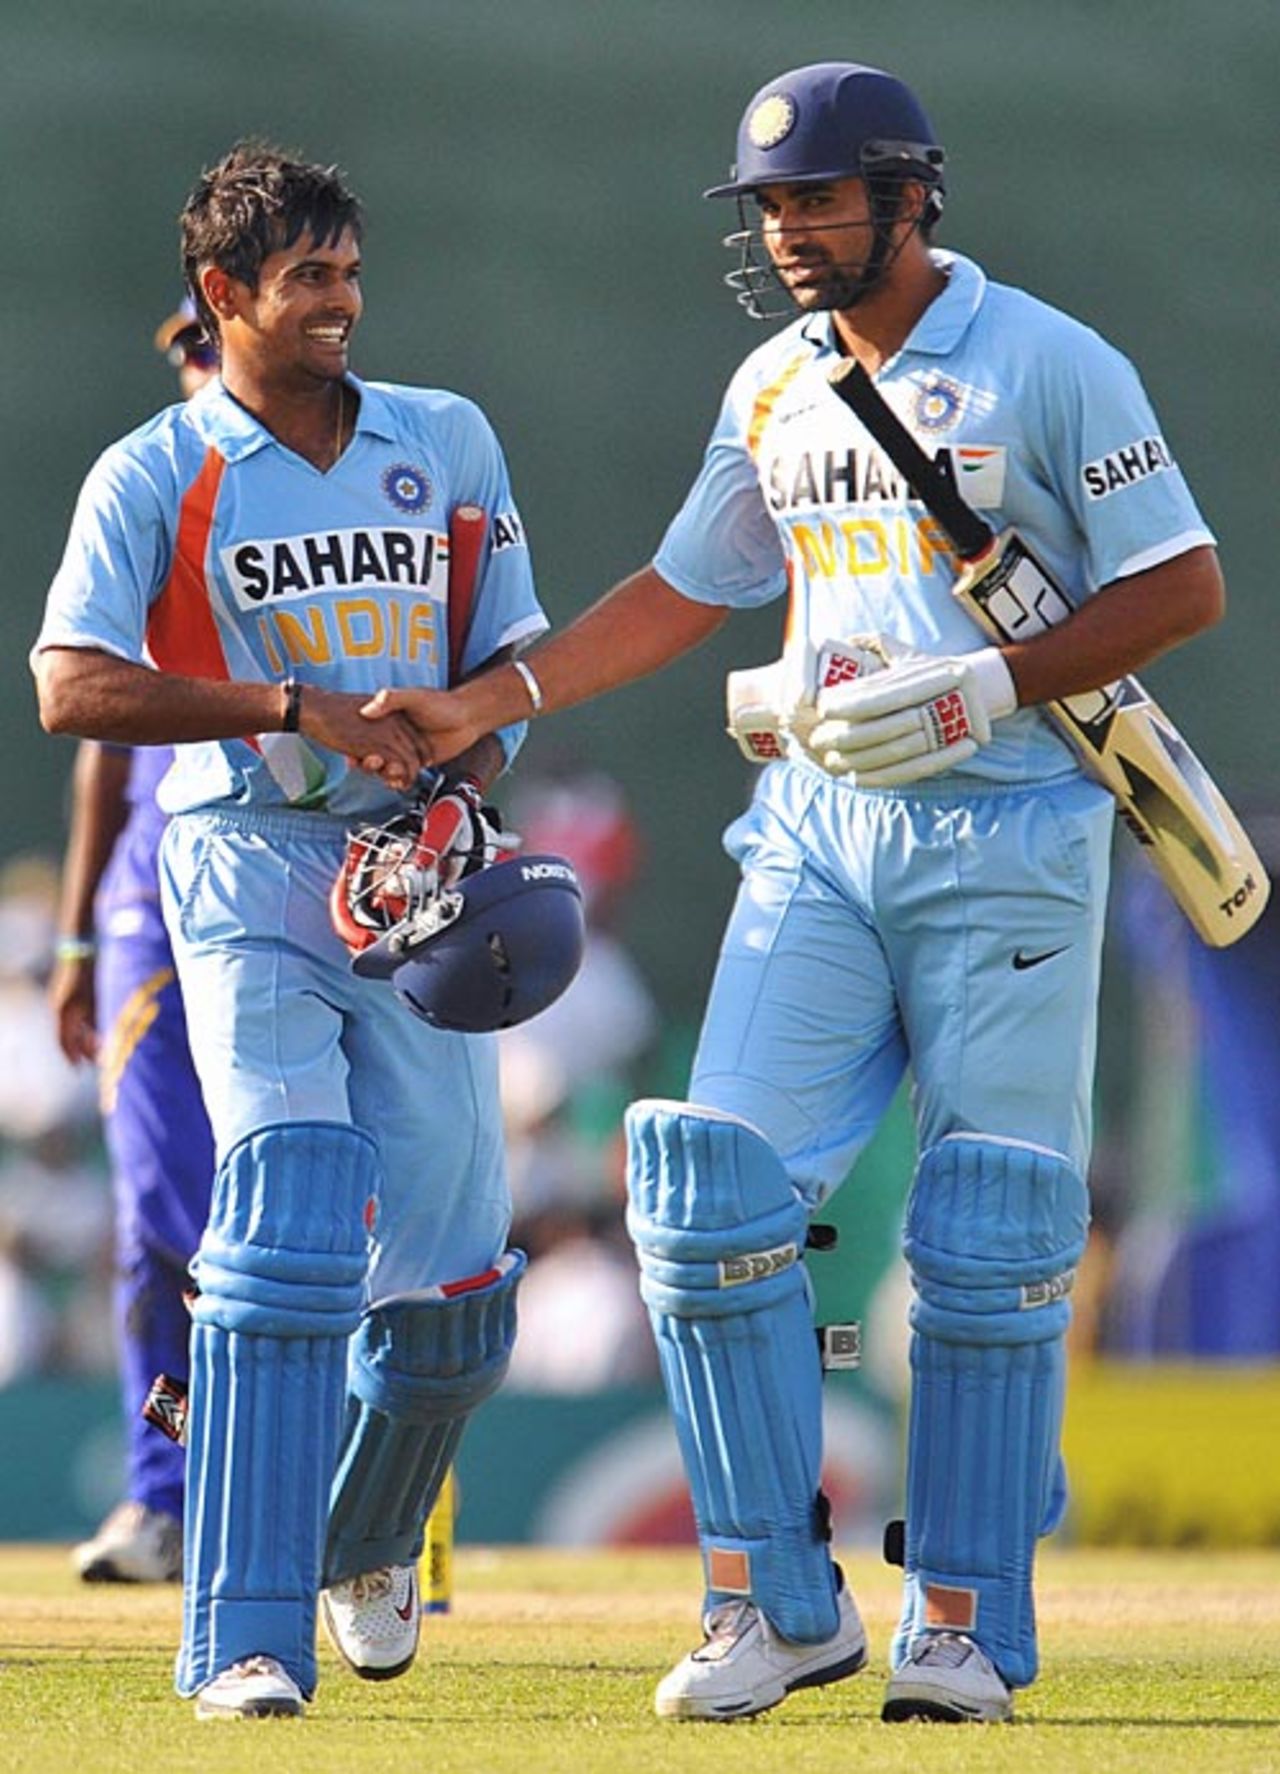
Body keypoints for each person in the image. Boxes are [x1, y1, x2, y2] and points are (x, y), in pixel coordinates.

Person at [358, 61, 1226, 1725]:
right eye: (769, 207)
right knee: (702, 1194)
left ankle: (961, 1621)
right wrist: (489, 702)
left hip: (1010, 837)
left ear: (911, 196)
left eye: (818, 199)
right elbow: (691, 583)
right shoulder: (776, 383)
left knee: (990, 1229)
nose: (788, 232)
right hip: (817, 835)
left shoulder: (1051, 362)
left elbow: (1182, 582)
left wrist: (988, 685)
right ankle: (770, 1597)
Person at [33, 140, 546, 1719]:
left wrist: (461, 787)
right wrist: (287, 704)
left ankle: (368, 1537)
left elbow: (508, 670)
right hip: (244, 864)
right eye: (307, 276)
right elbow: (70, 684)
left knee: (459, 1289)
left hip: (411, 870)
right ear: (223, 292)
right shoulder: (153, 471)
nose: (342, 301)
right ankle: (243, 1635)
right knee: (282, 1216)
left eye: (349, 272)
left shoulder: (445, 440)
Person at [48, 309, 219, 1587]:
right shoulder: (148, 501)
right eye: (190, 357)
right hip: (152, 910)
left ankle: (331, 1504)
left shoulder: (356, 489)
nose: (200, 374)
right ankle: (168, 1484)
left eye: (210, 348)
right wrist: (72, 937)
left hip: (307, 897)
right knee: (163, 1218)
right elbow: (98, 742)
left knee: (319, 1220)